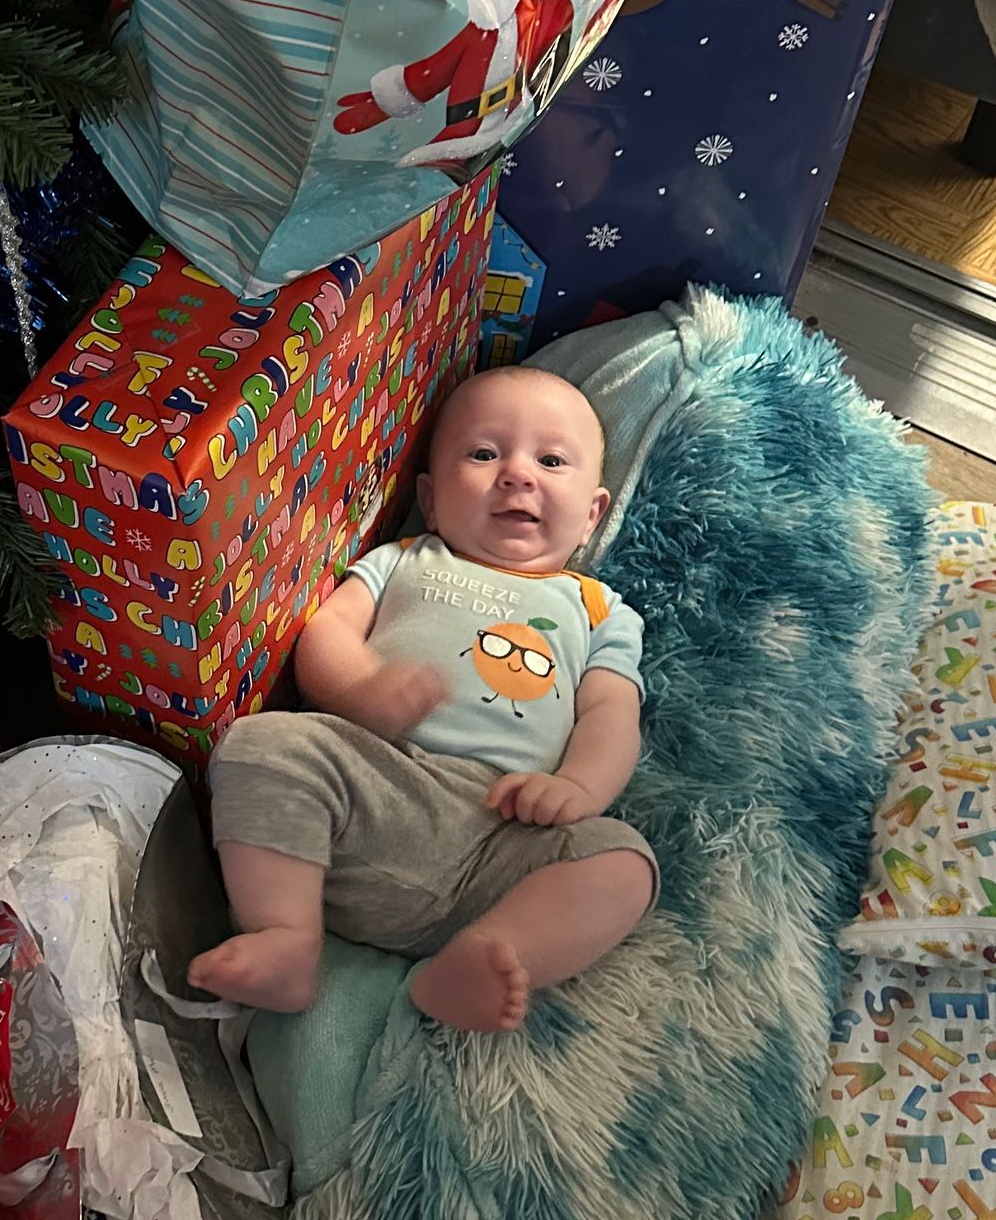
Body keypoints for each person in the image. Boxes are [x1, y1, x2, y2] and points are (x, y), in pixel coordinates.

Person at [189, 364, 658, 1035]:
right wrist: (363, 691)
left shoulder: (598, 610)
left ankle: (486, 957)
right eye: (484, 453)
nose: (518, 474)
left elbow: (613, 713)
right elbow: (327, 632)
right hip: (376, 787)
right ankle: (286, 937)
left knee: (624, 864)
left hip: (501, 835)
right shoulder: (404, 559)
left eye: (551, 460)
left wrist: (579, 789)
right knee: (263, 744)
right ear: (432, 500)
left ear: (592, 514)